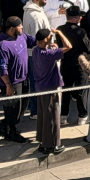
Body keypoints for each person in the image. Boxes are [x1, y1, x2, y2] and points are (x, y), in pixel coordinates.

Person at [0, 16, 34, 143]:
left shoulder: (22, 36)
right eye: (19, 26)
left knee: (23, 106)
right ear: (12, 29)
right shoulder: (2, 45)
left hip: (24, 78)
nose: (22, 27)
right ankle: (11, 131)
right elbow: (1, 67)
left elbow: (33, 41)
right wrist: (8, 85)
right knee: (12, 108)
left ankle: (4, 124)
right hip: (12, 82)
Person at [33, 27, 72, 155]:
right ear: (45, 39)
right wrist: (59, 33)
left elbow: (47, 50)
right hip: (50, 88)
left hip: (40, 87)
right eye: (50, 36)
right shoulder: (49, 55)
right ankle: (52, 144)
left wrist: (52, 47)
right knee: (52, 116)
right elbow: (69, 46)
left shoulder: (36, 50)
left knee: (43, 115)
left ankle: (42, 141)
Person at [58, 6, 90, 124]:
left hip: (65, 63)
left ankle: (63, 115)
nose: (81, 18)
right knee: (80, 90)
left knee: (66, 90)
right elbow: (87, 47)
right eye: (79, 17)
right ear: (74, 18)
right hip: (78, 64)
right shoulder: (81, 32)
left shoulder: (60, 30)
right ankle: (82, 115)